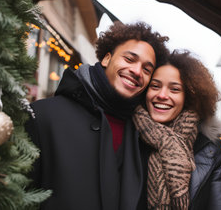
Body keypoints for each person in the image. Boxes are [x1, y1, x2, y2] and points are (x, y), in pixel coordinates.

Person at [25, 22, 170, 210]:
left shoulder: (145, 136)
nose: (136, 71)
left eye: (146, 69)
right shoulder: (42, 115)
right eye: (129, 59)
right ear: (107, 59)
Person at [132, 50, 221, 209]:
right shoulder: (128, 138)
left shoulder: (211, 150)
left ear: (189, 98)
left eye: (174, 89)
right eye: (155, 86)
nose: (162, 95)